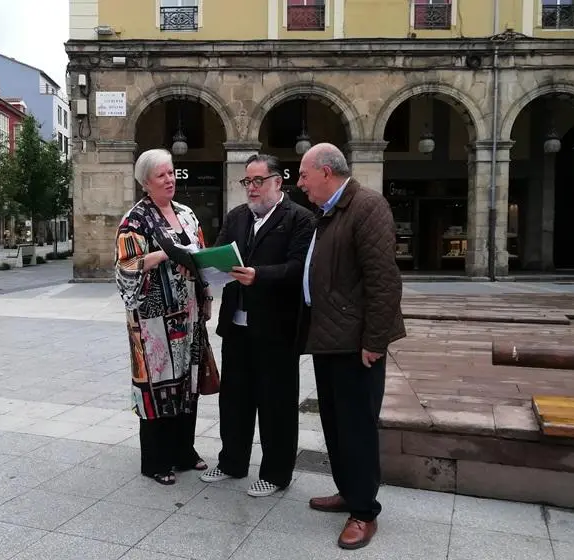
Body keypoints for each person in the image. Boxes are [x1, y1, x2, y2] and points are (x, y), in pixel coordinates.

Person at [297, 143, 406, 550]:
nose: (300, 183)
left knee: (357, 428)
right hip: (328, 338)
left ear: (326, 172)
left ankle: (363, 512)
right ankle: (348, 491)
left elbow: (384, 281)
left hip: (355, 343)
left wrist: (375, 341)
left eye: (305, 175)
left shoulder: (367, 207)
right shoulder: (327, 214)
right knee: (336, 426)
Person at [199, 154, 315, 497]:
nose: (251, 188)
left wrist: (259, 276)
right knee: (234, 399)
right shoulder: (237, 218)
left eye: (257, 181)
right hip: (236, 327)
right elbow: (218, 255)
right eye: (247, 182)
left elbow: (299, 268)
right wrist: (205, 267)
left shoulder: (300, 220)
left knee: (276, 404)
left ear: (278, 182)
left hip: (277, 330)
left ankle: (277, 473)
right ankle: (232, 461)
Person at [115, 148, 214, 486]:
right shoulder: (135, 220)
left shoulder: (187, 214)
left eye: (172, 173)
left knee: (187, 384)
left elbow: (199, 257)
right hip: (152, 322)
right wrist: (159, 255)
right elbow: (126, 266)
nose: (170, 180)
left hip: (188, 316)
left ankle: (184, 451)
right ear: (146, 182)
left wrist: (207, 297)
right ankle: (156, 460)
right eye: (162, 175)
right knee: (157, 389)